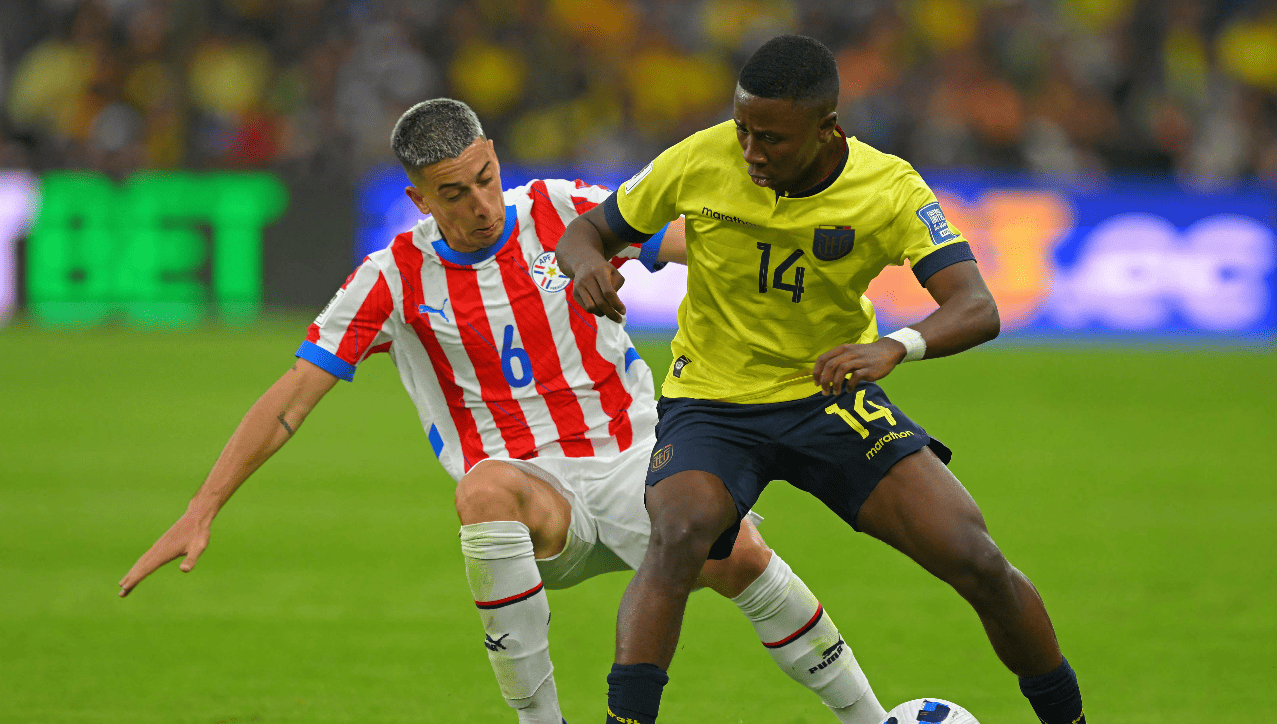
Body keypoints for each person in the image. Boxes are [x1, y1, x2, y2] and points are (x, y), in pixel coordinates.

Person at [118, 98, 889, 724]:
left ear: (495, 157)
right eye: (455, 192)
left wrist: (801, 256)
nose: (482, 203)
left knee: (746, 559)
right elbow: (293, 395)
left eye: (486, 177)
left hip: (637, 464)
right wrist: (204, 504)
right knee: (480, 491)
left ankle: (870, 717)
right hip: (531, 496)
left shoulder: (562, 210)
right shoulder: (392, 279)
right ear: (419, 197)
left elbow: (695, 240)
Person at [556, 36, 1087, 724]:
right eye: (744, 130)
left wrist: (897, 346)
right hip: (712, 403)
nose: (750, 152)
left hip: (829, 397)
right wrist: (586, 265)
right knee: (679, 534)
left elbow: (976, 307)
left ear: (826, 128)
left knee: (975, 559)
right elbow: (586, 231)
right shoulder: (700, 157)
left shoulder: (887, 187)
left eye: (771, 138)